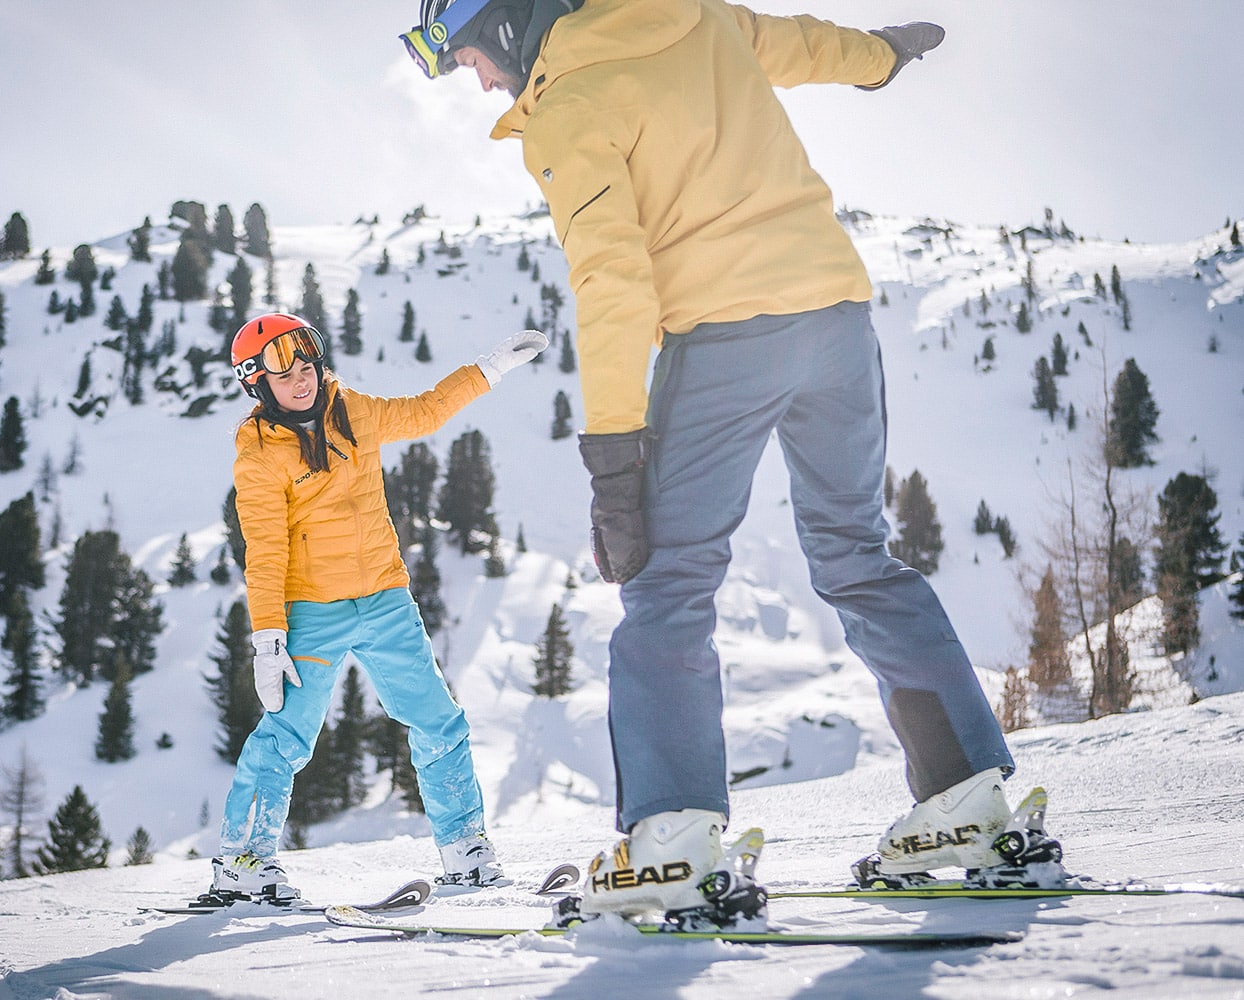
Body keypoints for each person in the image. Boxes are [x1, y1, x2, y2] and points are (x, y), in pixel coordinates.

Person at [402, 0, 1061, 918]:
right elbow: (799, 43)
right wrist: (881, 58)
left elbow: (612, 276)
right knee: (857, 557)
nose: (472, 79)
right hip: (835, 320)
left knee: (667, 587)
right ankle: (968, 804)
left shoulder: (570, 100)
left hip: (724, 339)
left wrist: (614, 456)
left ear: (509, 21)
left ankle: (670, 842)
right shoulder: (693, 17)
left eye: (465, 53)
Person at [212, 311, 547, 899]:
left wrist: (489, 370)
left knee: (438, 720)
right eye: (280, 367)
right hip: (311, 610)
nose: (300, 375)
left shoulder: (353, 412)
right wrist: (268, 637)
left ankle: (465, 848)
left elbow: (425, 409)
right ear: (256, 382)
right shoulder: (259, 453)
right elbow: (263, 549)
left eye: (305, 356)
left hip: (386, 600)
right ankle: (243, 861)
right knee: (287, 736)